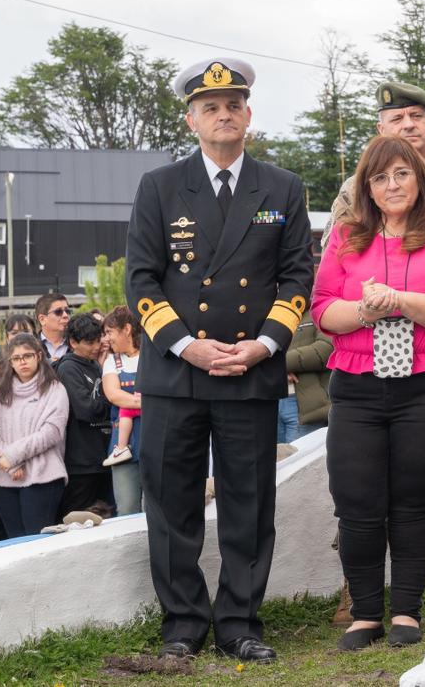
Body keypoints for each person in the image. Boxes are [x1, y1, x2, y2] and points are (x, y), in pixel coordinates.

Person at [125, 57, 313, 664]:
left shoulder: (282, 188)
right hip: (176, 373)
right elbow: (141, 279)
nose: (223, 114)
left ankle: (239, 622)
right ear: (192, 120)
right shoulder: (158, 186)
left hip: (249, 370)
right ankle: (183, 621)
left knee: (248, 506)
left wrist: (262, 345)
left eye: (233, 104)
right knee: (171, 502)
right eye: (211, 107)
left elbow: (295, 279)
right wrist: (187, 344)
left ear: (248, 115)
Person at [324, 80, 425, 621]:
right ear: (381, 129)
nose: (408, 126)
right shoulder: (354, 192)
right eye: (397, 119)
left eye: (417, 116)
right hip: (363, 363)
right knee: (359, 480)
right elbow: (329, 285)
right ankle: (359, 588)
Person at [0, 333, 69, 537]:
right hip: (5, 478)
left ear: (39, 356)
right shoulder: (1, 394)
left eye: (27, 355)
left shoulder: (55, 390)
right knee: (15, 544)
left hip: (43, 476)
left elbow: (52, 432)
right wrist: (10, 462)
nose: (22, 361)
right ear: (10, 362)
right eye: (16, 358)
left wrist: (14, 456)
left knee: (37, 541)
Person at [55, 313, 113, 516]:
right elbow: (85, 409)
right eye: (89, 343)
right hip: (81, 462)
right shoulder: (68, 367)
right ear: (73, 342)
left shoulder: (95, 365)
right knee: (80, 517)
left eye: (98, 341)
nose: (96, 347)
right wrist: (112, 401)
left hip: (101, 456)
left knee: (106, 516)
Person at [101, 306, 143, 512]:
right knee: (127, 507)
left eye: (109, 332)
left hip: (155, 440)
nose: (106, 339)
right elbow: (113, 394)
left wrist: (131, 402)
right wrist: (148, 403)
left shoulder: (152, 356)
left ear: (126, 329)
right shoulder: (111, 361)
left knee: (157, 506)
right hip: (123, 447)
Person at [278, 309, 333, 444]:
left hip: (305, 406)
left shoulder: (322, 310)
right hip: (269, 401)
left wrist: (276, 366)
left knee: (299, 461)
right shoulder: (265, 313)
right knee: (273, 462)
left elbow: (326, 350)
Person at [35, 293, 71, 363]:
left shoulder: (77, 344)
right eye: (58, 312)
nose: (65, 315)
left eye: (67, 311)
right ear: (42, 319)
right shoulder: (30, 346)